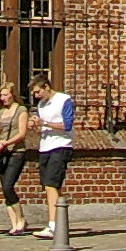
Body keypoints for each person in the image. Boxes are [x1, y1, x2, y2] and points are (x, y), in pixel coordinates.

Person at [30, 74, 78, 235]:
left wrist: (44, 123)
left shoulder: (63, 100)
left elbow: (67, 125)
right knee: (50, 186)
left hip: (61, 146)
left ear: (46, 87)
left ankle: (52, 225)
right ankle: (60, 221)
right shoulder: (41, 105)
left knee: (51, 184)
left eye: (38, 92)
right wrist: (35, 125)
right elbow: (42, 129)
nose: (36, 96)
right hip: (45, 147)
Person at [0, 88, 35, 234]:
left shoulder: (21, 110)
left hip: (16, 152)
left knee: (8, 186)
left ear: (12, 94)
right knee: (4, 188)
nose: (3, 98)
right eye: (1, 95)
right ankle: (14, 223)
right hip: (2, 154)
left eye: (5, 95)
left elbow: (21, 134)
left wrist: (6, 143)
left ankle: (21, 219)